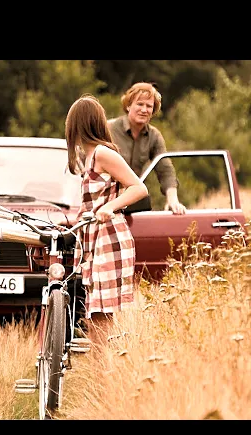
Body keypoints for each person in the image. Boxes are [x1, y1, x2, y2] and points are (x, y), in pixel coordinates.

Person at [65, 93, 149, 346]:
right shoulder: (89, 157)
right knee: (94, 314)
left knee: (102, 314)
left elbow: (139, 188)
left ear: (78, 125)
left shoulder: (103, 153)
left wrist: (110, 207)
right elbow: (91, 202)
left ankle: (103, 368)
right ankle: (100, 366)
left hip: (109, 237)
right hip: (95, 239)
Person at [107, 82, 186, 215]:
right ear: (128, 105)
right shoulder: (108, 129)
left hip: (132, 202)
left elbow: (165, 169)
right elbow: (85, 164)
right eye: (140, 104)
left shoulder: (154, 136)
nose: (144, 110)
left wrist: (173, 200)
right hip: (105, 201)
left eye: (149, 106)